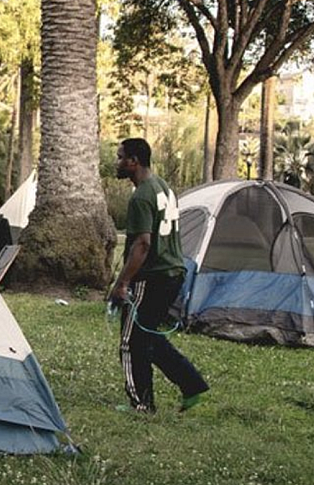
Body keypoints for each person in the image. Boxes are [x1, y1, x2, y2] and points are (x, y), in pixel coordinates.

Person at [110, 138, 208, 414]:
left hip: (151, 277)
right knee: (148, 336)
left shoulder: (141, 196)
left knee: (131, 342)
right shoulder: (163, 187)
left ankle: (142, 404)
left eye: (120, 157)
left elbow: (143, 244)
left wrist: (123, 283)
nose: (117, 163)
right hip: (173, 273)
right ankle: (192, 384)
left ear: (134, 161)